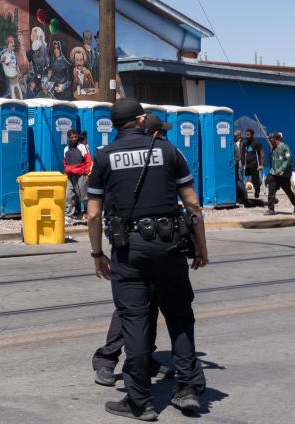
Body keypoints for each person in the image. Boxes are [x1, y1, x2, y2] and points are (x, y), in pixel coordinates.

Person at [87, 99, 208, 420]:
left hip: (129, 251)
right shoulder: (169, 151)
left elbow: (93, 214)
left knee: (136, 322)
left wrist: (98, 254)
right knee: (180, 317)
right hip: (169, 248)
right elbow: (193, 205)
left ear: (115, 125)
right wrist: (201, 247)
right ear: (141, 120)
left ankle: (140, 402)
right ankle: (188, 388)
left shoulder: (103, 157)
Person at [91, 114, 175, 388]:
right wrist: (97, 253)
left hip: (155, 242)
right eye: (159, 133)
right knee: (132, 307)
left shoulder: (157, 156)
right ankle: (107, 358)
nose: (163, 137)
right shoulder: (129, 158)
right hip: (131, 240)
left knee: (148, 304)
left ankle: (144, 359)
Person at [266, 132, 295, 215]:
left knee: (288, 191)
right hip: (273, 173)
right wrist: (271, 172)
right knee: (271, 191)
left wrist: (281, 169)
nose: (270, 140)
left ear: (275, 139)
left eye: (271, 139)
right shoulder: (273, 148)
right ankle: (271, 209)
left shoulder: (285, 148)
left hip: (283, 175)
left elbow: (288, 160)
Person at [63, 129, 91, 221]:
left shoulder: (82, 147)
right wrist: (66, 172)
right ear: (69, 138)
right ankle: (69, 215)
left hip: (80, 175)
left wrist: (87, 174)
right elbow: (64, 163)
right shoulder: (66, 149)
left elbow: (88, 161)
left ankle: (88, 212)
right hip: (69, 176)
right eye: (72, 137)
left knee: (83, 196)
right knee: (68, 195)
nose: (74, 139)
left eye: (75, 137)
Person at [241, 129, 264, 199]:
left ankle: (257, 191)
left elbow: (261, 154)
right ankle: (245, 193)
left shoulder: (256, 143)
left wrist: (261, 164)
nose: (246, 136)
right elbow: (242, 154)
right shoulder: (245, 143)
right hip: (247, 164)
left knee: (255, 179)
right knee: (246, 179)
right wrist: (243, 164)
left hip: (254, 163)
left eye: (248, 135)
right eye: (246, 134)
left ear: (252, 135)